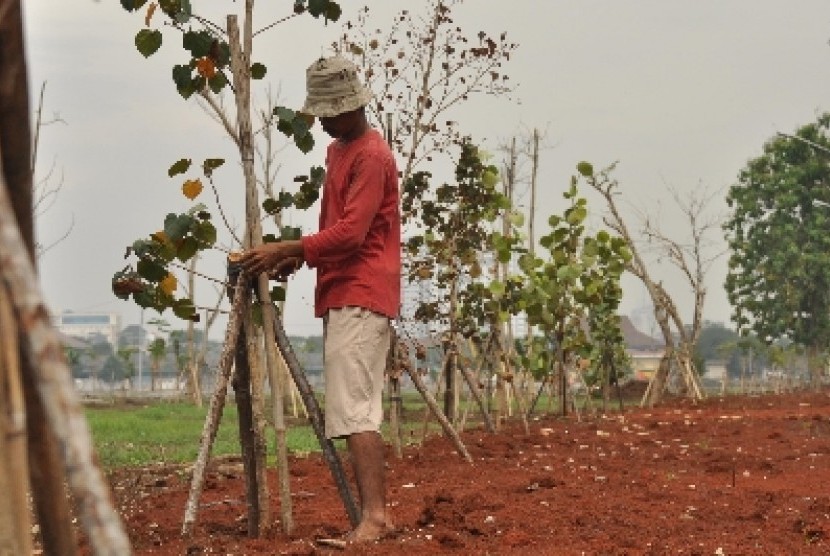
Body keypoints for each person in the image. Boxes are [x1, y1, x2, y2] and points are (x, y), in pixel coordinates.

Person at [239, 55, 400, 545]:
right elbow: (339, 228)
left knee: (355, 410)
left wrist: (293, 247)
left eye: (330, 109)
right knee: (353, 406)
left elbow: (351, 235)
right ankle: (374, 515)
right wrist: (301, 258)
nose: (323, 119)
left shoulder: (371, 155)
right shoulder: (340, 152)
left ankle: (375, 517)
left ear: (351, 107)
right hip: (343, 288)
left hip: (362, 289)